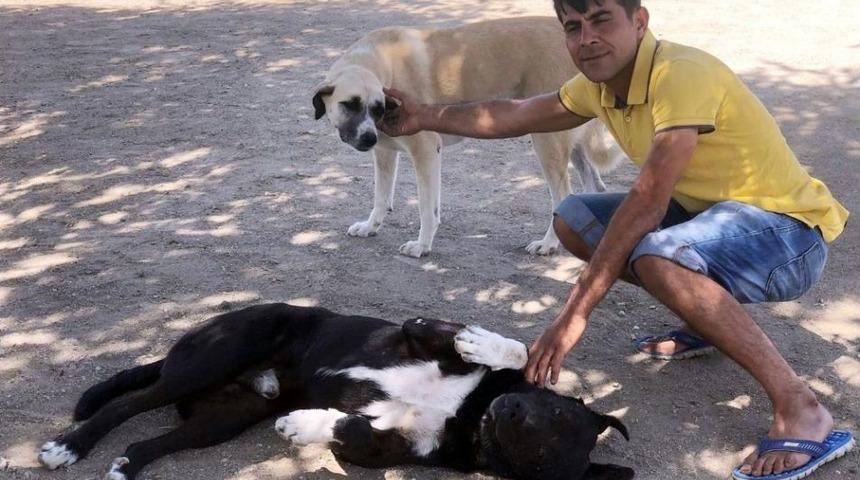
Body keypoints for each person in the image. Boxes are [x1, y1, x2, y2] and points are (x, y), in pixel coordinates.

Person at [376, 0, 853, 479]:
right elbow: (516, 113)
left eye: (601, 19)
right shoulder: (602, 87)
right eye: (573, 27)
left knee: (658, 255)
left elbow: (647, 202)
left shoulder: (680, 74)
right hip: (717, 220)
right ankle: (706, 317)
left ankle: (801, 407)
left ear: (639, 22)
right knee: (574, 219)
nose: (586, 38)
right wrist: (425, 115)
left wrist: (573, 314)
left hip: (790, 236)